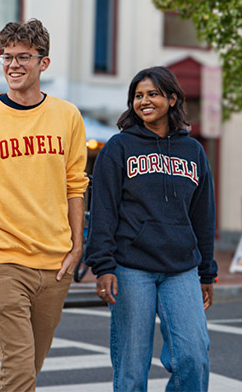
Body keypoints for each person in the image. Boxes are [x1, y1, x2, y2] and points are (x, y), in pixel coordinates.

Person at [0, 18, 88, 392]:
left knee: (31, 364)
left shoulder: (67, 116)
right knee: (18, 369)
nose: (13, 64)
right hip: (3, 260)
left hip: (55, 265)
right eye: (6, 56)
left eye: (23, 56)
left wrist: (77, 246)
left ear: (43, 62)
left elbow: (75, 185)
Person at [85, 66, 217, 392]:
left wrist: (207, 272)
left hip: (182, 268)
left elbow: (203, 215)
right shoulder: (118, 148)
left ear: (172, 99)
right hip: (131, 267)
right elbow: (103, 210)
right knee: (131, 370)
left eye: (153, 94)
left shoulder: (193, 151)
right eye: (138, 96)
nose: (144, 101)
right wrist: (102, 266)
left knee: (194, 356)